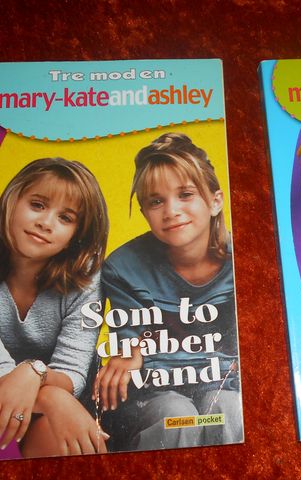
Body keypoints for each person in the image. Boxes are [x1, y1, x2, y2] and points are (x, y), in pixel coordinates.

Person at [97, 132, 242, 451]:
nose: (171, 210)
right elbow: (130, 350)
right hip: (154, 395)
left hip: (224, 386)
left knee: (230, 409)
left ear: (215, 201)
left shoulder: (245, 261)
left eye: (185, 194)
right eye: (156, 201)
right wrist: (132, 350)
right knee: (176, 416)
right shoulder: (123, 267)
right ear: (144, 212)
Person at [0, 157, 109, 457]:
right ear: (12, 200)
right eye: (37, 205)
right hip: (25, 400)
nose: (46, 223)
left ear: (77, 235)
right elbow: (4, 383)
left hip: (53, 406)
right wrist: (52, 399)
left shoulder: (86, 277)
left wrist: (35, 376)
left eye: (65, 218)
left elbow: (73, 372)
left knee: (69, 438)